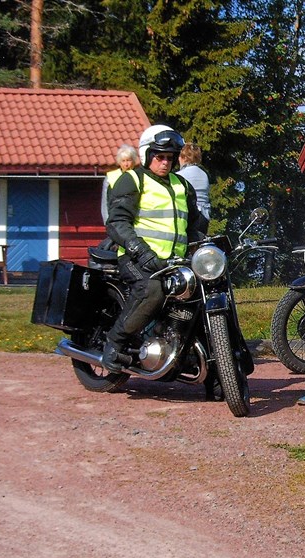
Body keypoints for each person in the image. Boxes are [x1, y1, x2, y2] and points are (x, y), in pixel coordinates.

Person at [101, 125, 207, 373]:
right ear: (148, 155)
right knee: (152, 291)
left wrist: (206, 245)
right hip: (136, 258)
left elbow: (194, 226)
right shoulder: (132, 179)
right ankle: (114, 344)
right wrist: (140, 250)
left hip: (174, 262)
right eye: (160, 157)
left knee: (204, 292)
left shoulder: (182, 185)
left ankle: (200, 357)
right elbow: (117, 222)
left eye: (170, 157)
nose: (165, 162)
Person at [101, 144, 140, 223]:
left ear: (134, 161)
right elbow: (105, 203)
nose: (126, 164)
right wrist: (107, 222)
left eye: (129, 160)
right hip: (115, 221)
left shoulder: (140, 176)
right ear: (119, 162)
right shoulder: (110, 178)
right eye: (123, 161)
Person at [178, 143, 212, 228]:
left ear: (184, 157)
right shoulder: (204, 174)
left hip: (190, 217)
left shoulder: (180, 175)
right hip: (204, 216)